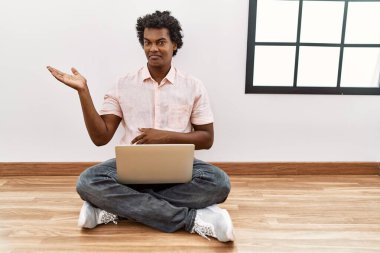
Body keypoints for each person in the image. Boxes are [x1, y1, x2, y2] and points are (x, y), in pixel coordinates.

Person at [47, 10, 234, 242]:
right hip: (131, 167)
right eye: (147, 42)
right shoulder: (123, 84)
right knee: (87, 182)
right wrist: (83, 92)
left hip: (178, 167)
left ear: (175, 44)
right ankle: (193, 220)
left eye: (161, 42)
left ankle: (116, 208)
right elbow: (100, 137)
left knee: (219, 183)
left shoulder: (193, 86)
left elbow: (207, 138)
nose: (153, 48)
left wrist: (164, 137)